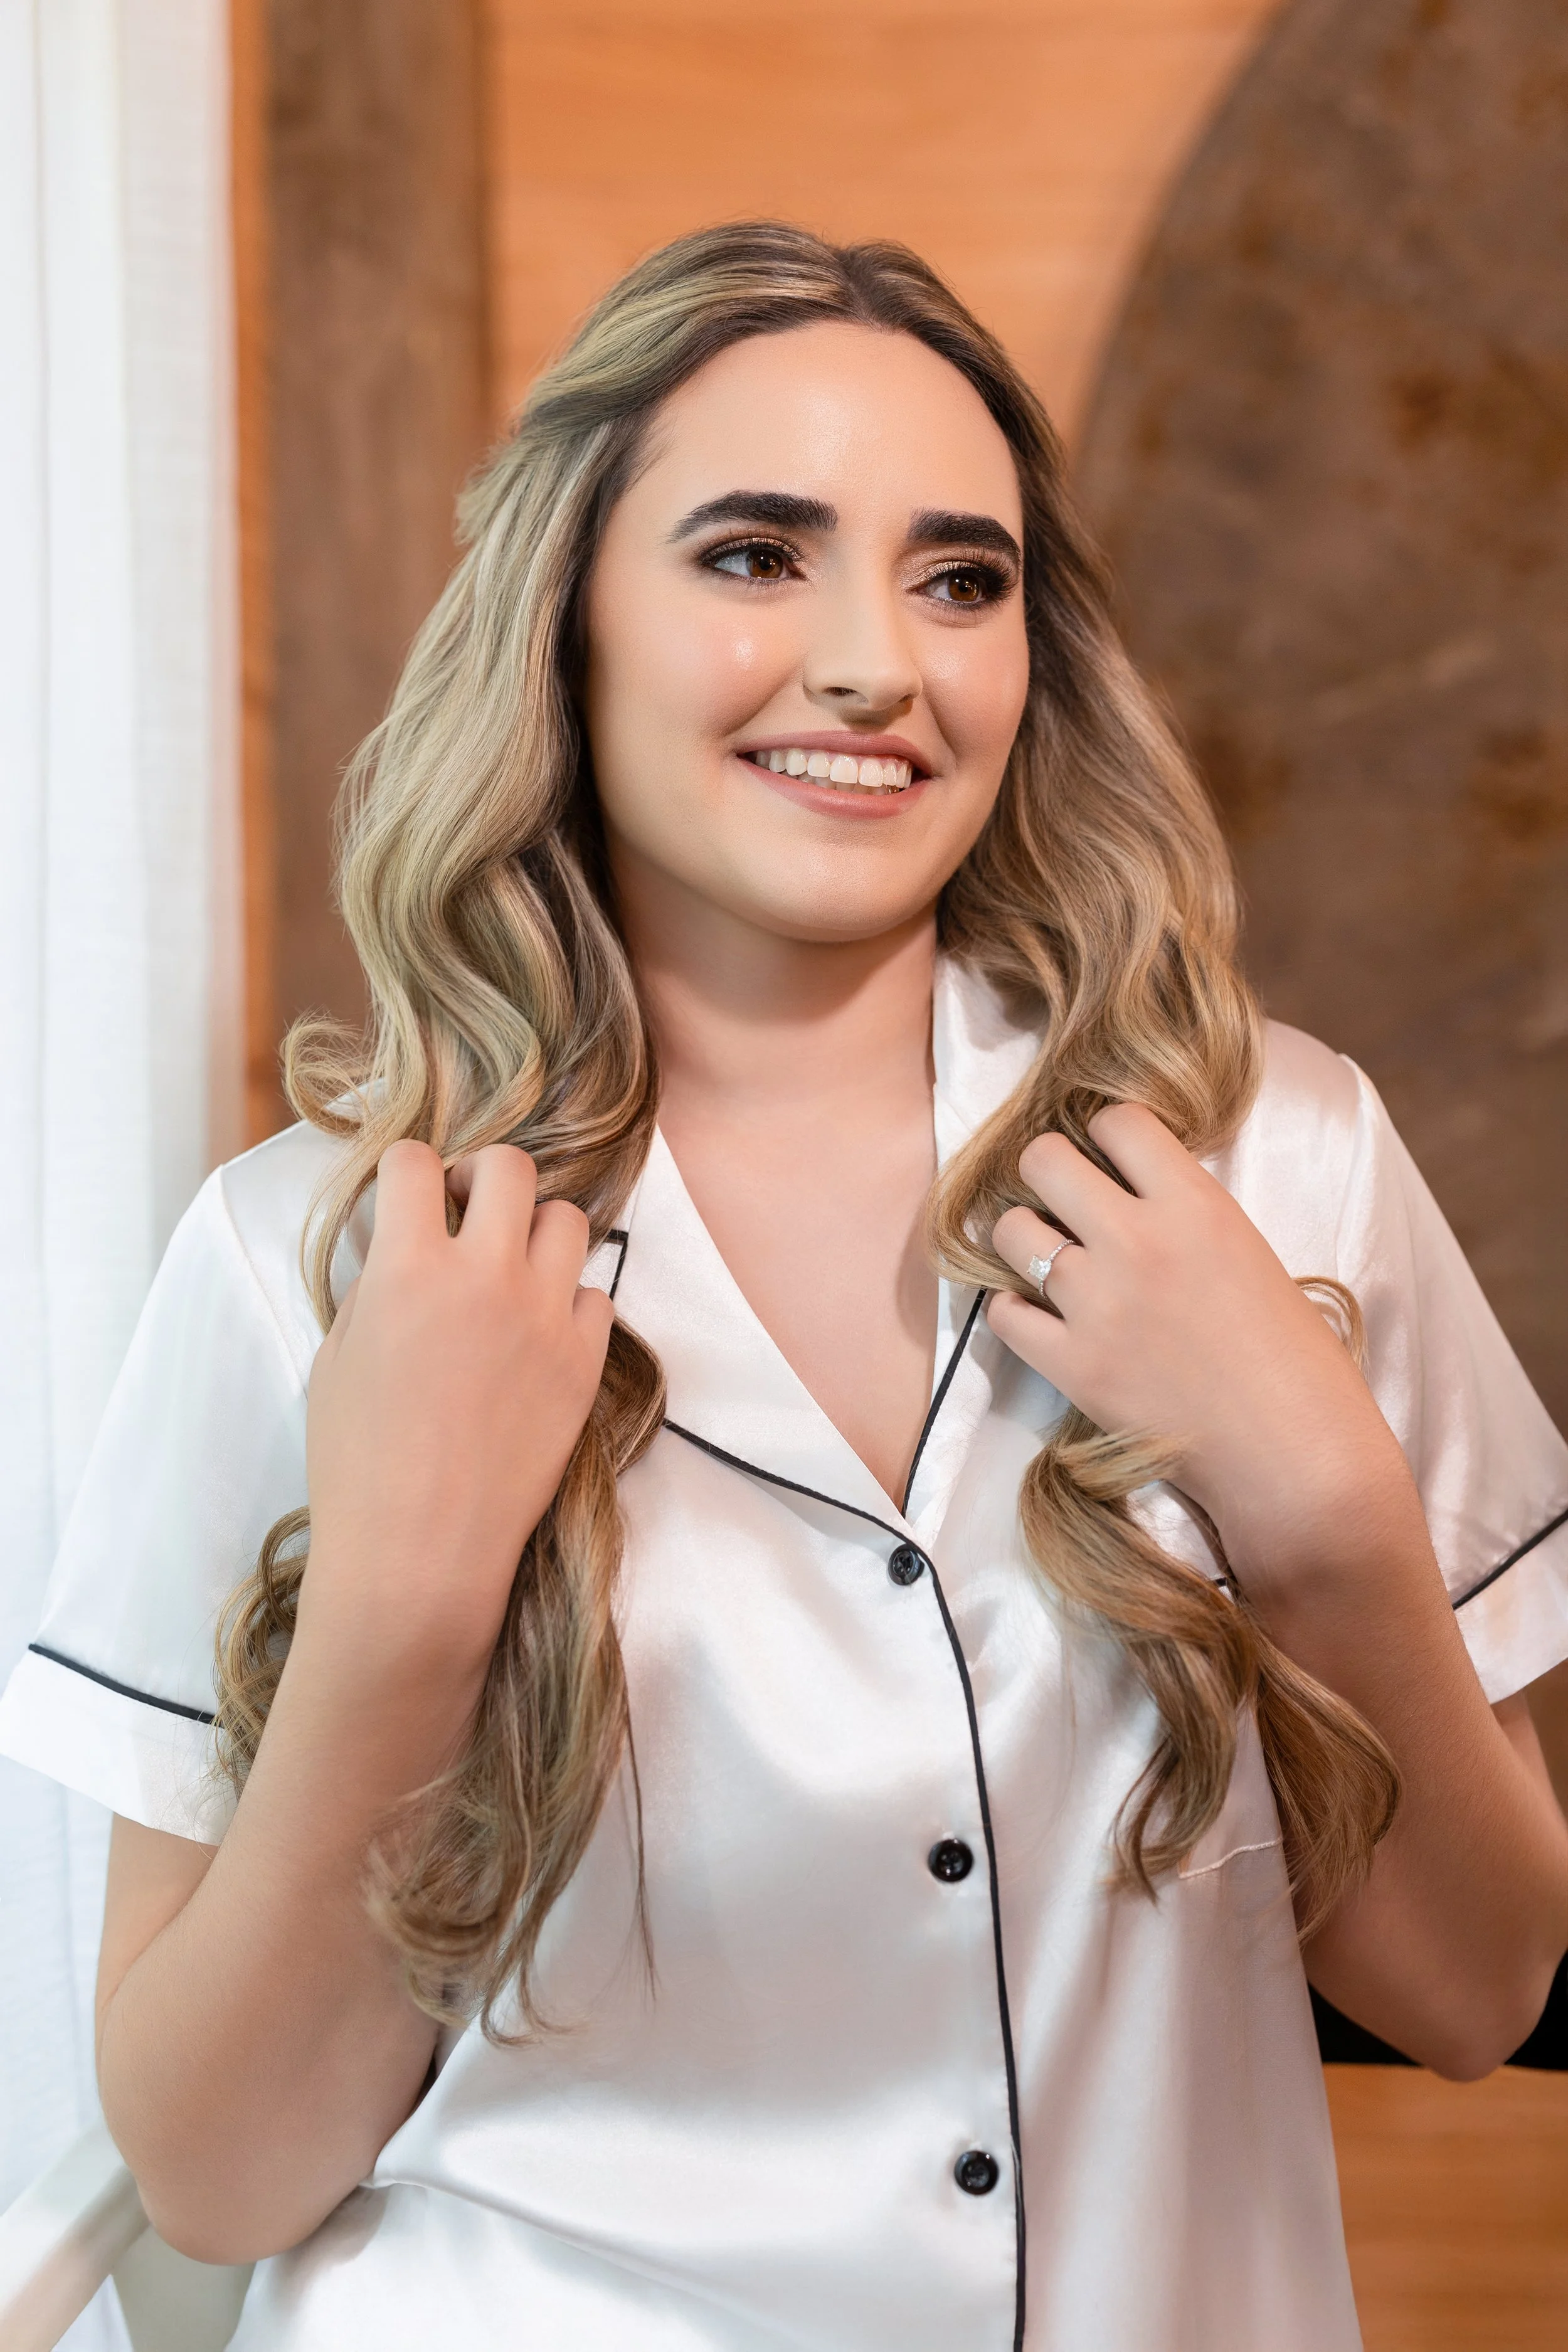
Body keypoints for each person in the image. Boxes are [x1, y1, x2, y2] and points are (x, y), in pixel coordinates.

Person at [3, 223, 1566, 2352]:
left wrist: (1329, 1516)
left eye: (957, 578)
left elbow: (1474, 1992)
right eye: (754, 555)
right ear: (565, 625)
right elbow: (216, 2166)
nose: (874, 664)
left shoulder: (1279, 1163)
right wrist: (404, 1607)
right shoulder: (308, 1261)